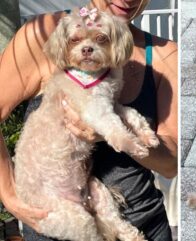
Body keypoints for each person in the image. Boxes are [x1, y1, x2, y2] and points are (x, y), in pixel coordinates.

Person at [0, 0, 178, 240]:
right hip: (60, 222)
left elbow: (171, 164)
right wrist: (9, 196)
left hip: (144, 225)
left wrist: (110, 131)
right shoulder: (41, 33)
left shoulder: (164, 55)